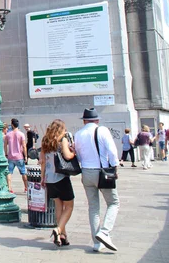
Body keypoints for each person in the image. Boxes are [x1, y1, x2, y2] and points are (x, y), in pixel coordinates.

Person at [74, 108, 120, 253]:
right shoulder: (103, 130)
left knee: (93, 208)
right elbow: (112, 151)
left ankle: (96, 243)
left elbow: (79, 156)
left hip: (86, 172)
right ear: (97, 120)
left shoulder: (78, 134)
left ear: (84, 120)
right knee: (113, 202)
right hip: (102, 171)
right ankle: (104, 232)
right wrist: (115, 166)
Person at [40, 119, 76, 247]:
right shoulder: (62, 140)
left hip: (49, 179)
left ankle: (62, 236)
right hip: (61, 177)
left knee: (58, 206)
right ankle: (58, 229)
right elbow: (67, 156)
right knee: (70, 206)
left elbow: (42, 161)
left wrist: (42, 178)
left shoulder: (45, 141)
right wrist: (74, 153)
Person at [4, 118, 28, 193]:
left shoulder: (8, 134)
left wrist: (6, 154)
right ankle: (26, 187)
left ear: (12, 125)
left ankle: (9, 187)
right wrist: (26, 156)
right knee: (23, 172)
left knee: (9, 172)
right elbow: (24, 146)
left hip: (11, 156)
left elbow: (5, 145)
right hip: (19, 156)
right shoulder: (21, 134)